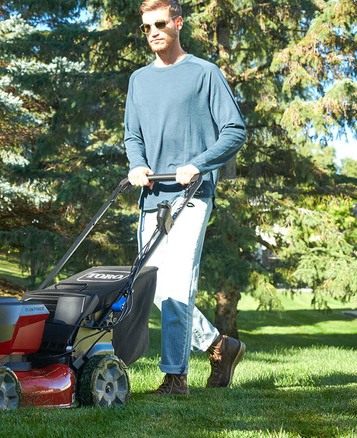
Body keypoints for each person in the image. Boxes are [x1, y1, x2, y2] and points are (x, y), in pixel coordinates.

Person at [124, 0, 247, 395]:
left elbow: (234, 130)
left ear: (178, 23)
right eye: (146, 27)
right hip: (152, 195)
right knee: (150, 286)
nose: (153, 32)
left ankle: (175, 377)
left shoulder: (204, 73)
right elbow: (133, 136)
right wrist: (137, 164)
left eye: (160, 24)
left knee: (177, 284)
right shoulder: (138, 80)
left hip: (192, 195)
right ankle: (218, 345)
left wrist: (198, 163)